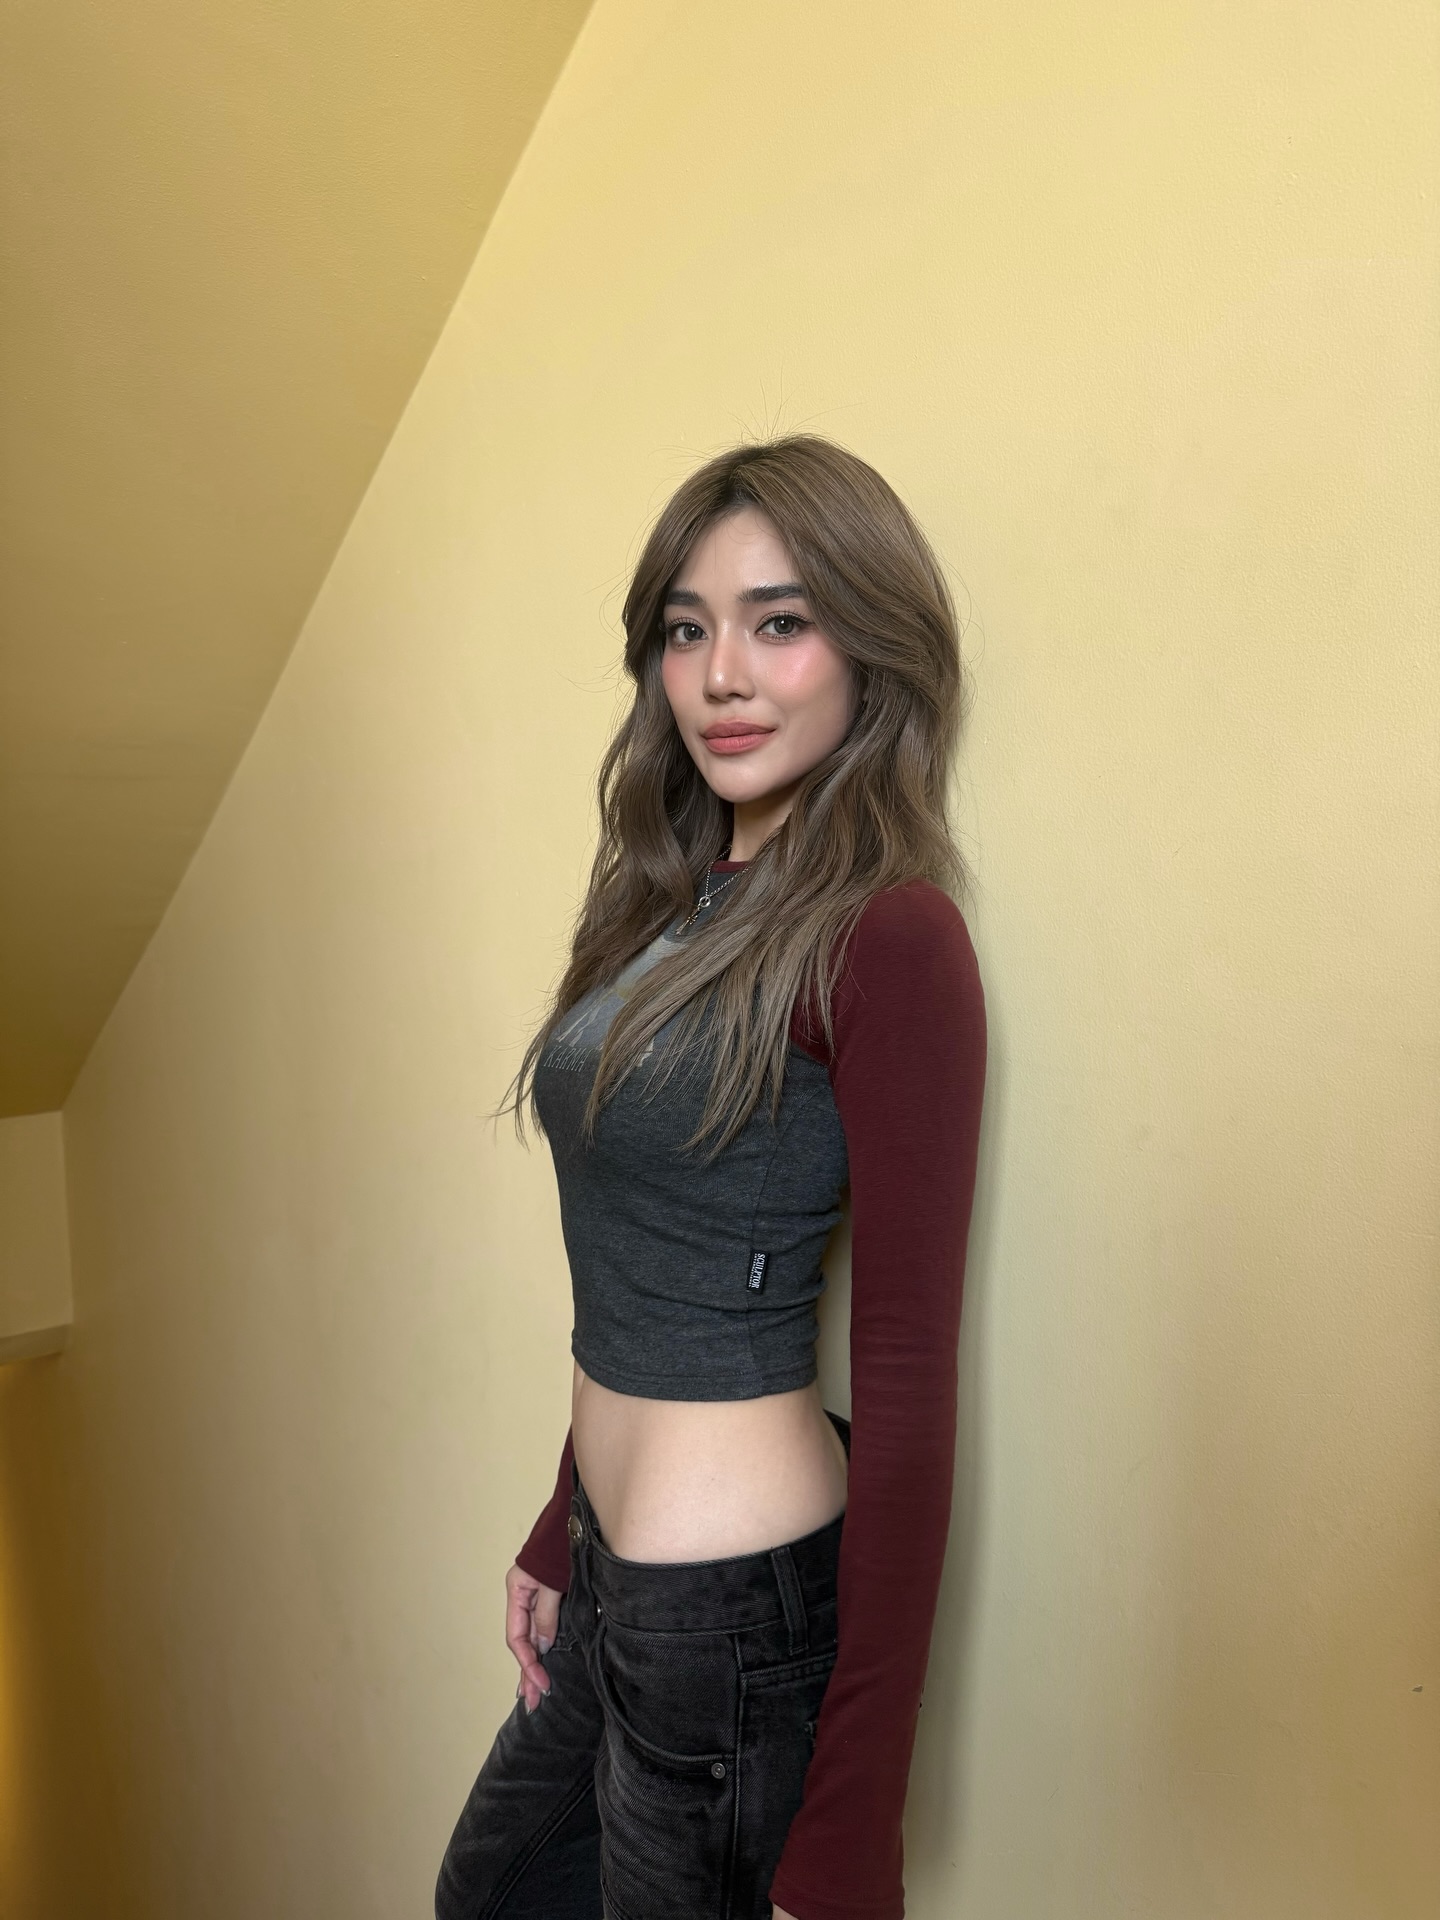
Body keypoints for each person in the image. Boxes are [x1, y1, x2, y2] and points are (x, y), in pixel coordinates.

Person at [435, 434, 988, 1920]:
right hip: (614, 1571)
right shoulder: (664, 909)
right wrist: (565, 1525)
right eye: (688, 631)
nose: (722, 676)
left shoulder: (888, 935)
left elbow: (909, 1379)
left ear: (870, 645)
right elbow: (640, 1251)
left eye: (779, 621)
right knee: (487, 1896)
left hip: (732, 1619)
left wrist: (850, 1833)